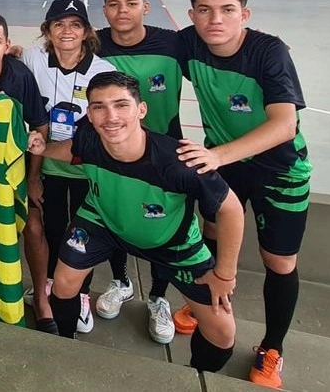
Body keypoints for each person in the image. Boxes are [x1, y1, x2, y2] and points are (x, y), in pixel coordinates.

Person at [28, 71, 243, 375]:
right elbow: (74, 151)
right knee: (62, 284)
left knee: (222, 332)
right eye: (99, 107)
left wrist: (225, 274)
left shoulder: (179, 162)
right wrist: (43, 150)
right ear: (89, 113)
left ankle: (191, 377)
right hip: (101, 221)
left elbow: (231, 209)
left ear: (141, 110)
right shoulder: (90, 137)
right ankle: (66, 347)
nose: (110, 116)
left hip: (172, 242)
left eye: (121, 105)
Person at [175, 0, 311, 389]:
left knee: (279, 262)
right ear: (192, 15)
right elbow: (130, 43)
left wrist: (215, 155)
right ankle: (211, 307)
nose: (215, 19)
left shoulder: (269, 53)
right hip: (227, 163)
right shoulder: (188, 43)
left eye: (227, 10)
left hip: (279, 169)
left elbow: (284, 124)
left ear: (244, 14)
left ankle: (272, 348)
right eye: (205, 10)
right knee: (213, 232)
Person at [95, 0, 183, 344]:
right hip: (114, 147)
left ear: (146, 7)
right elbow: (53, 50)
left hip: (164, 148)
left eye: (131, 3)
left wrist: (265, 44)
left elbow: (222, 46)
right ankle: (121, 282)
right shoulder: (94, 43)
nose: (122, 11)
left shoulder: (175, 43)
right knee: (116, 213)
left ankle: (159, 297)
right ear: (104, 10)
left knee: (164, 227)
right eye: (114, 4)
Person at [21, 0, 115, 335]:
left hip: (85, 168)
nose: (67, 31)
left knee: (84, 233)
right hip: (48, 167)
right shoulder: (33, 59)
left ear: (87, 31)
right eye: (59, 24)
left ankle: (83, 293)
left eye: (75, 25)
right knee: (55, 227)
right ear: (47, 30)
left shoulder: (102, 71)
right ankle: (51, 285)